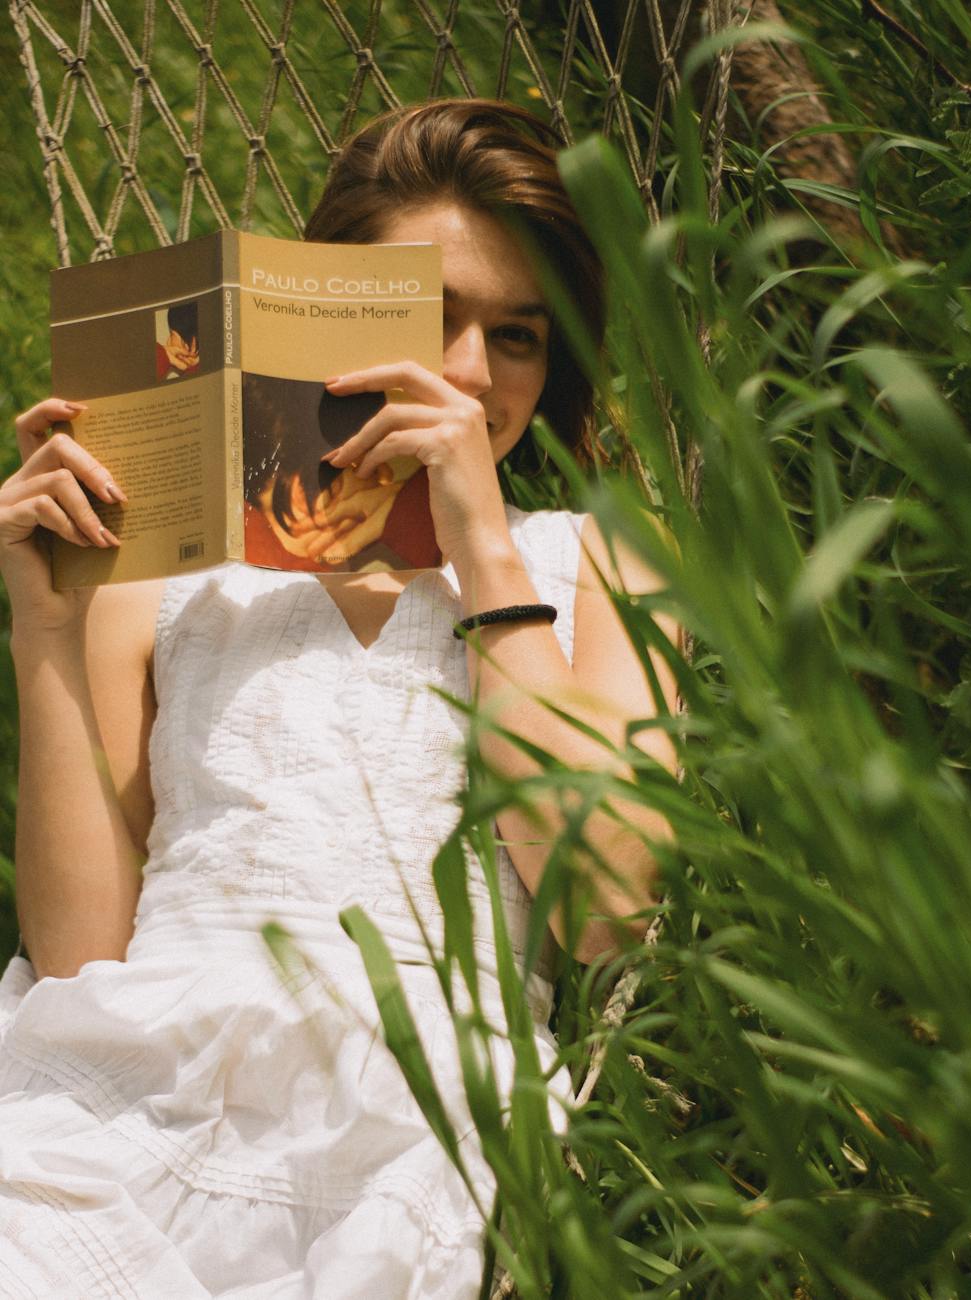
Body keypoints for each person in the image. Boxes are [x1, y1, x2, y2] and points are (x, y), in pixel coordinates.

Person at [0, 99, 676, 1297]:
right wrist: (43, 629)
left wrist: (481, 548)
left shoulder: (597, 566)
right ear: (316, 327)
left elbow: (607, 910)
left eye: (516, 337)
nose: (469, 376)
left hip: (423, 1120)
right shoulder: (166, 573)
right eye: (431, 321)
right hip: (134, 1091)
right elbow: (78, 954)